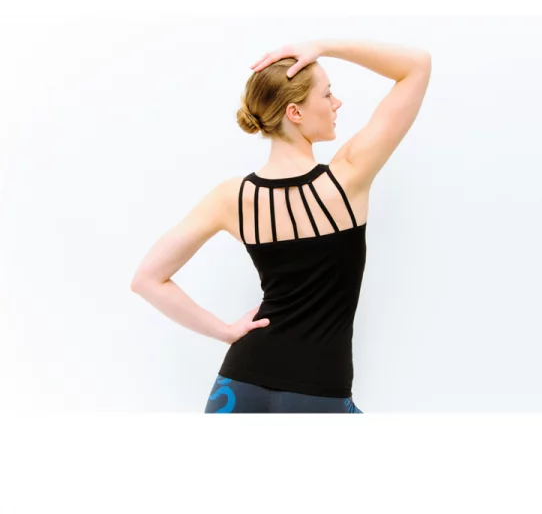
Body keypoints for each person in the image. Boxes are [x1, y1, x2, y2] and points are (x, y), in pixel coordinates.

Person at [131, 39, 432, 413]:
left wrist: (225, 332)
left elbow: (146, 278)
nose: (337, 103)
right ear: (295, 112)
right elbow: (417, 66)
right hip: (319, 393)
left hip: (237, 387)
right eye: (327, 94)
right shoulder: (347, 178)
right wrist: (324, 46)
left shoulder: (233, 197)